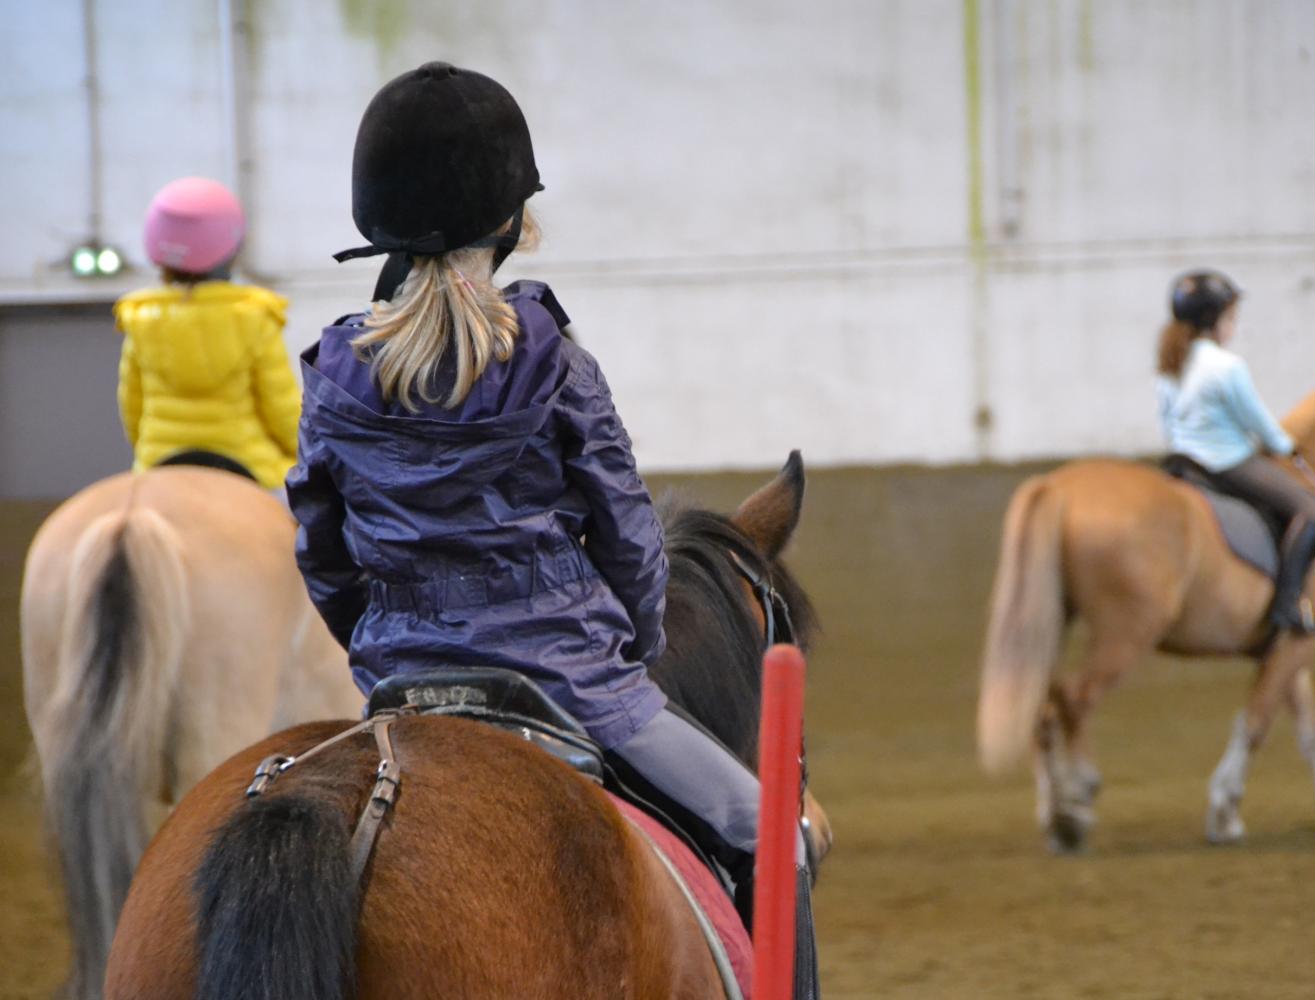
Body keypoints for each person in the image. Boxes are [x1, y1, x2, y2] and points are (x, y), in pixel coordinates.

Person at [286, 62, 818, 995]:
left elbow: (321, 550)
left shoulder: (332, 372)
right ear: (509, 222)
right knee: (777, 832)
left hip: (403, 679)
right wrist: (634, 651)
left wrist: (379, 651)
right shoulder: (557, 362)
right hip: (579, 680)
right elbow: (626, 538)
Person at [1156, 270, 1315, 635]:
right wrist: (1288, 448)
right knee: (1313, 513)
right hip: (1226, 464)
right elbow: (1258, 423)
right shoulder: (1227, 366)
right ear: (1213, 321)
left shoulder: (1169, 365)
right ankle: (1288, 604)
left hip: (1181, 462)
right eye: (1230, 318)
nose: (1232, 326)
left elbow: (1168, 422)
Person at [114, 177, 300, 489]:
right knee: (308, 528)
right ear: (231, 246)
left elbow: (132, 410)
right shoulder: (254, 317)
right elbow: (282, 413)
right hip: (247, 466)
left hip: (157, 466)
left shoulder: (141, 319)